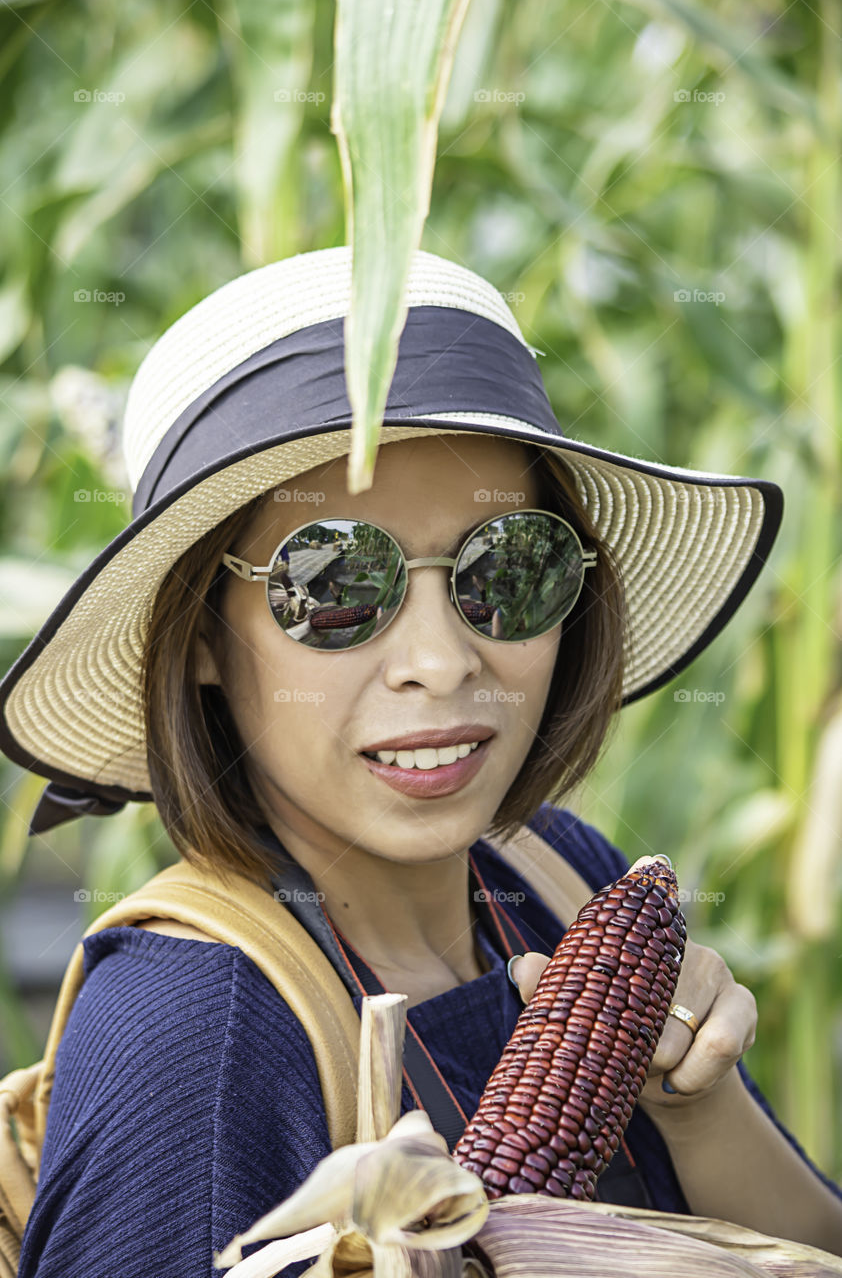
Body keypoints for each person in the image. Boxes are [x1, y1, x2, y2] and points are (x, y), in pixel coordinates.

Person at [2, 246, 841, 1277]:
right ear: (206, 639)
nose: (443, 661)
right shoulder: (194, 1040)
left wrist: (696, 1104)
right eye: (336, 585)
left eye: (509, 567)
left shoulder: (551, 875)